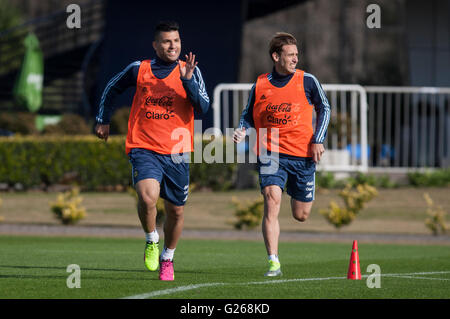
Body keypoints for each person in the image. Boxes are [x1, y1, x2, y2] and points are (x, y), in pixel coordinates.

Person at [95, 21, 210, 281]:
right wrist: (103, 119)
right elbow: (112, 89)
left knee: (176, 211)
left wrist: (188, 81)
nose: (173, 46)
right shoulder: (139, 69)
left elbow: (202, 106)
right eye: (167, 41)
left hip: (178, 151)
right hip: (143, 146)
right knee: (148, 198)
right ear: (156, 45)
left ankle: (167, 259)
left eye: (177, 41)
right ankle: (151, 239)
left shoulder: (189, 70)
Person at [233, 32, 330, 277]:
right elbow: (247, 114)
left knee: (301, 215)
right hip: (271, 154)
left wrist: (318, 140)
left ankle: (296, 194)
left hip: (303, 156)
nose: (295, 59)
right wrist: (243, 129)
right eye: (290, 55)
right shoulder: (261, 83)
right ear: (276, 56)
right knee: (271, 198)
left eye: (297, 55)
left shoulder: (307, 81)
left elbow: (325, 108)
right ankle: (273, 262)